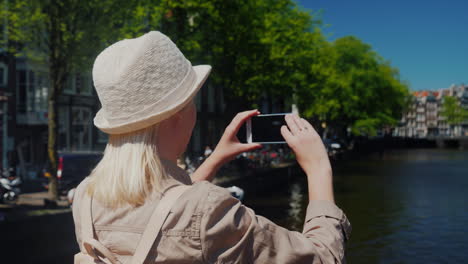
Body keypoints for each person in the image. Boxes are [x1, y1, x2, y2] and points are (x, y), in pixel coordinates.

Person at [72, 31, 351, 263]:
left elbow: (164, 216)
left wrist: (215, 158)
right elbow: (322, 258)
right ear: (178, 114)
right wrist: (318, 169)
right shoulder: (210, 211)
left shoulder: (86, 196)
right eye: (193, 98)